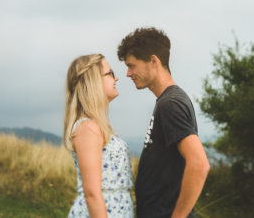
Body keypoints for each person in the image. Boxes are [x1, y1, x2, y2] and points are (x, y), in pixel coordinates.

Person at [117, 27, 210, 218]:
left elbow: (199, 164)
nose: (127, 73)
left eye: (131, 65)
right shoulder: (167, 101)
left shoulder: (170, 104)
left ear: (153, 61)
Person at [63, 54, 134, 218]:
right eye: (110, 73)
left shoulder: (95, 125)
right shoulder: (87, 128)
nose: (116, 78)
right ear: (93, 81)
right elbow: (92, 194)